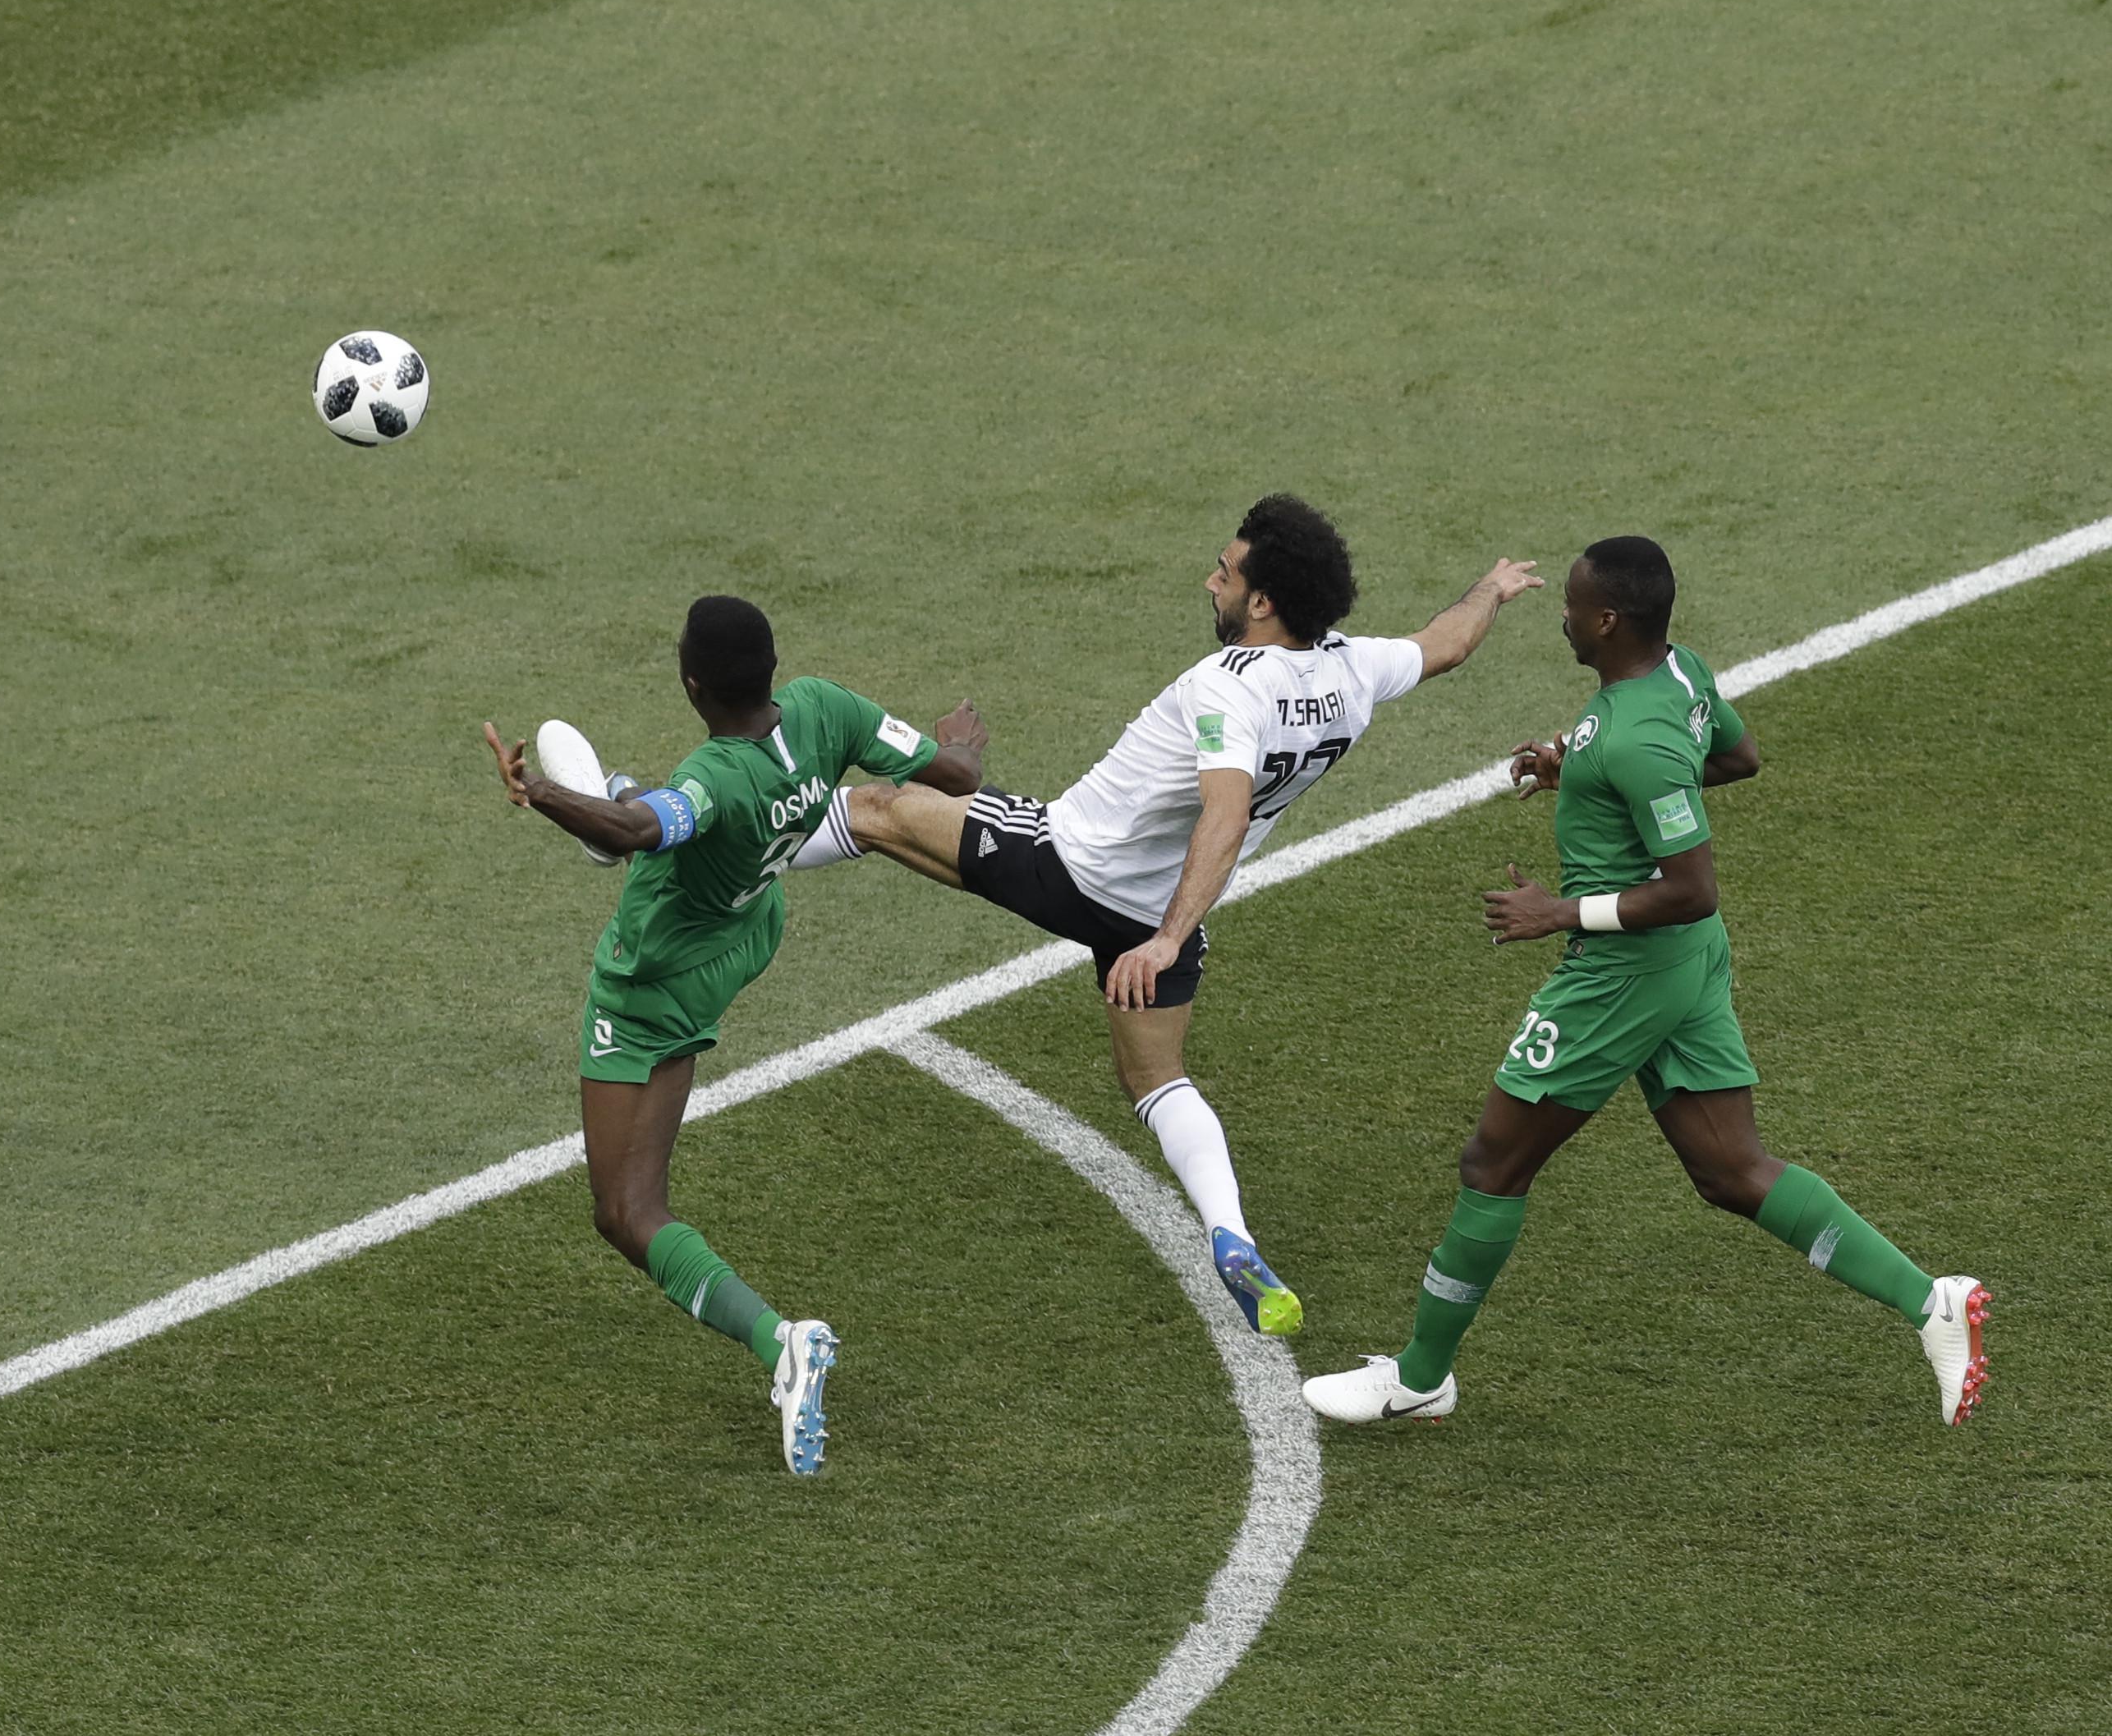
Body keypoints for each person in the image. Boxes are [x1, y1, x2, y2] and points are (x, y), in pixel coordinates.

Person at [802, 495, 1543, 1336]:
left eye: (1224, 573)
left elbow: (1222, 814)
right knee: (1155, 1079)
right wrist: (1489, 588)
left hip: (1071, 865)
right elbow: (1444, 642)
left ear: (1260, 601)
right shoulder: (1347, 670)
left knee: (876, 807)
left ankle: (681, 832)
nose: (1210, 579)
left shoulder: (1224, 687)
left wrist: (1159, 939)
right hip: (1161, 913)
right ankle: (1232, 1234)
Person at [1301, 536, 1988, 1426]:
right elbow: (1737, 758)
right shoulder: (1674, 675)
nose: (1562, 616)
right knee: (1729, 1169)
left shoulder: (1634, 737)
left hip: (1622, 972)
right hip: (1684, 963)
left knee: (1493, 1161)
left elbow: (1687, 883)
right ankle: (1931, 1301)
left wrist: (1560, 912)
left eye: (1571, 605)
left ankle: (1420, 1375)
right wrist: (1572, 765)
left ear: (1605, 619)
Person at [485, 594, 984, 1475]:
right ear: (772, 667)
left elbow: (644, 830)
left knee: (625, 1211)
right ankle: (779, 1342)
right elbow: (950, 775)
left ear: (690, 684)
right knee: (667, 818)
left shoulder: (712, 777)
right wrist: (959, 744)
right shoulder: (826, 707)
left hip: (651, 980)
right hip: (739, 940)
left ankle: (780, 1340)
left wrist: (541, 793)